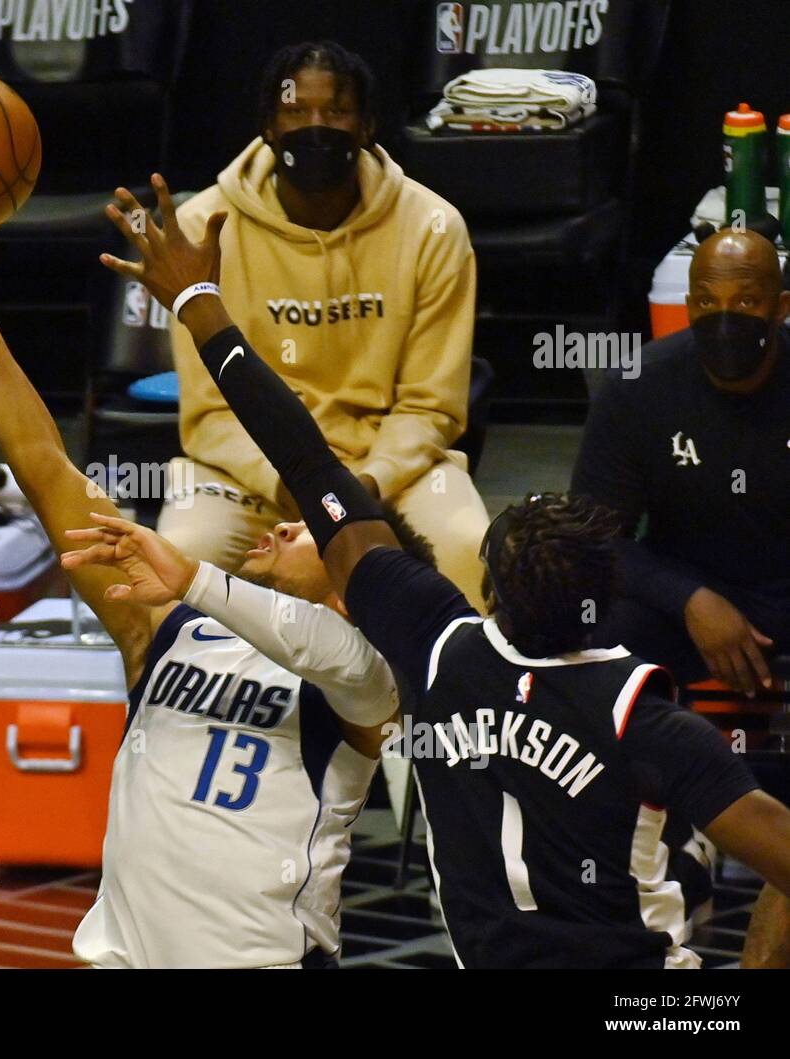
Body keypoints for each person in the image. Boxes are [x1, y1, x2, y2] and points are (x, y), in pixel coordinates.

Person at [98, 173, 790, 968]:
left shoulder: (437, 649)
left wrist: (200, 305)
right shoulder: (653, 721)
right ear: (604, 598)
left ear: (488, 592)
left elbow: (303, 453)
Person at [0, 225, 427, 969]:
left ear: (356, 579)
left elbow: (336, 651)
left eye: (311, 527)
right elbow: (44, 465)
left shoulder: (363, 683)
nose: (285, 520)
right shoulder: (167, 629)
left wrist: (193, 576)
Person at [157, 40, 490, 611]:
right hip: (248, 475)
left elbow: (431, 406)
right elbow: (210, 414)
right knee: (179, 555)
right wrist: (287, 480)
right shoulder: (202, 228)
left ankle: (449, 702)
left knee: (467, 548)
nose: (316, 127)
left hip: (387, 473)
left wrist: (367, 483)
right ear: (266, 125)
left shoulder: (433, 227)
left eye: (336, 112)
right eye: (296, 111)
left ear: (367, 126)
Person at [572, 229, 789, 696]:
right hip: (685, 591)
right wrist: (688, 598)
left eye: (747, 301)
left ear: (782, 307)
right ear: (690, 307)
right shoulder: (637, 387)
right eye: (708, 303)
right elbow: (594, 537)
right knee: (588, 627)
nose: (725, 318)